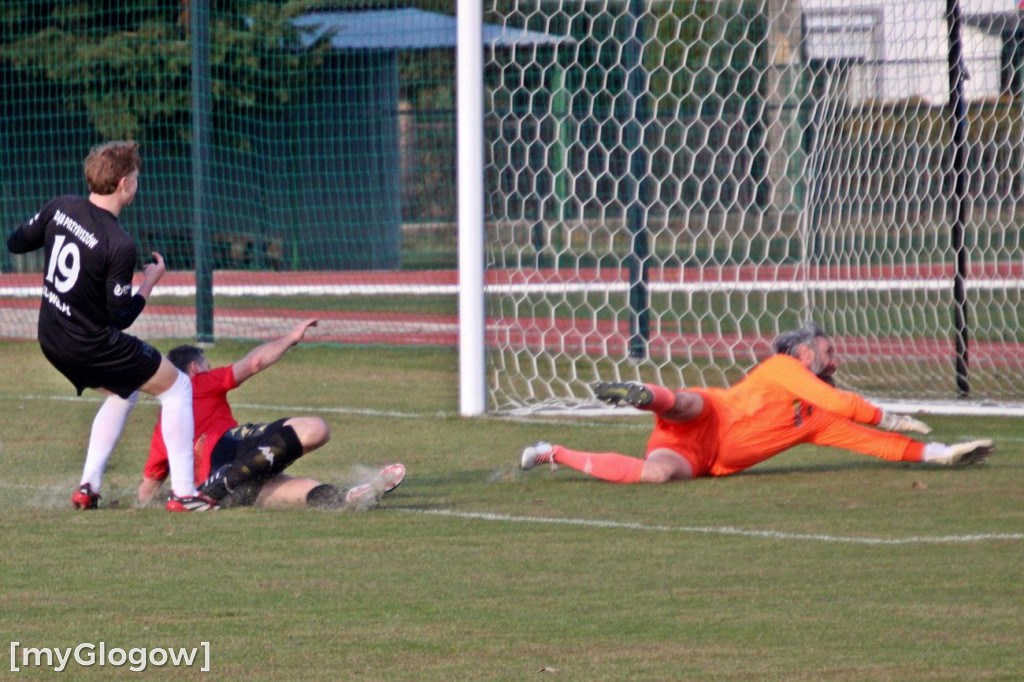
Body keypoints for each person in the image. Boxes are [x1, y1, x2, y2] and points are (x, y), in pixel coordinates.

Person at [5, 140, 212, 511]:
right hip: (90, 345)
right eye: (135, 177)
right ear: (123, 184)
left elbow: (17, 242)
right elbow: (122, 317)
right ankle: (185, 493)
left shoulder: (60, 206)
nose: (137, 182)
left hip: (51, 338)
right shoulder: (119, 243)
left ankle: (88, 485)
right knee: (178, 387)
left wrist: (52, 227)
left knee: (126, 388)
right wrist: (150, 282)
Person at [520, 322, 994, 483]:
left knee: (656, 475)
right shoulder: (783, 369)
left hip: (700, 457)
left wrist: (941, 454)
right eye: (829, 352)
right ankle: (643, 396)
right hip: (710, 413)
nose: (836, 360)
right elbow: (852, 407)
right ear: (805, 353)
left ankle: (552, 451)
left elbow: (871, 442)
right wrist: (894, 416)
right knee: (685, 403)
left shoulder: (815, 420)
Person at [137, 318, 406, 510]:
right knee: (316, 428)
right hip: (227, 449)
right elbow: (254, 363)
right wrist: (291, 338)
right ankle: (227, 480)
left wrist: (142, 507)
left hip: (213, 489)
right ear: (195, 367)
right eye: (207, 366)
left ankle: (348, 497)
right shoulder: (196, 382)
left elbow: (147, 489)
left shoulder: (163, 424)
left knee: (290, 491)